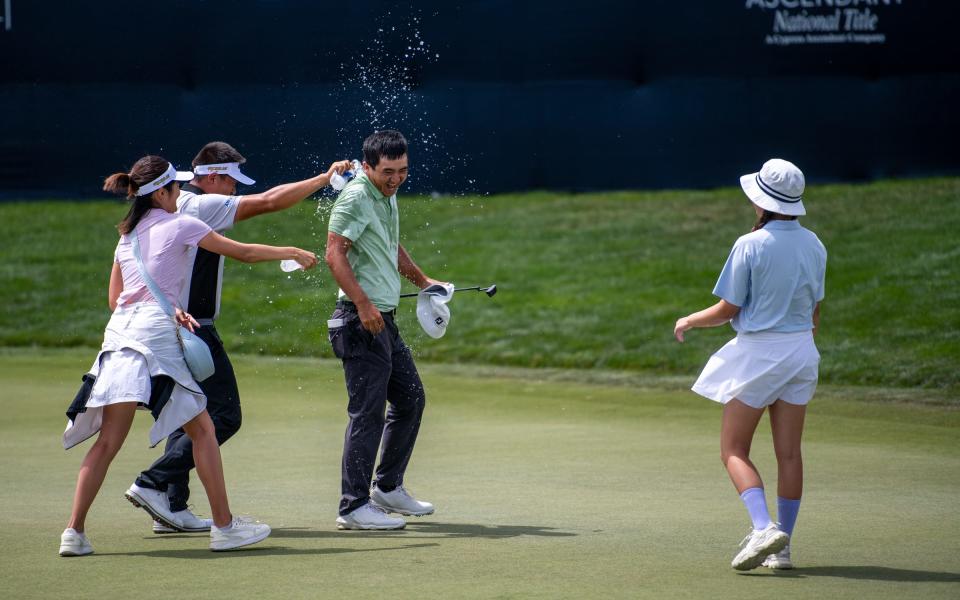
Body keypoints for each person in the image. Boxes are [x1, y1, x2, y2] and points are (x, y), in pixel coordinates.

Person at [60, 155, 318, 556]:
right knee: (204, 431)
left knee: (108, 441)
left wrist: (166, 305)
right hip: (156, 339)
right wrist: (292, 251)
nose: (180, 194)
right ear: (160, 192)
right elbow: (244, 253)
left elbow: (117, 300)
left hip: (120, 336)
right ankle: (225, 527)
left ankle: (73, 534)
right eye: (175, 189)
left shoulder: (125, 238)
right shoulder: (184, 223)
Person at [129, 142, 350, 534]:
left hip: (164, 323)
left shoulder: (176, 201)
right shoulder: (199, 204)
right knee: (225, 415)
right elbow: (266, 202)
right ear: (213, 177)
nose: (234, 191)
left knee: (187, 412)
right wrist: (323, 179)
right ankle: (154, 481)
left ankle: (170, 505)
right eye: (231, 182)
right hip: (192, 326)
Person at [674, 158, 826, 571]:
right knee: (789, 453)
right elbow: (815, 313)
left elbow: (728, 308)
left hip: (761, 354)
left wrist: (688, 319)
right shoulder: (815, 244)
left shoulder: (750, 244)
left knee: (733, 449)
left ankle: (763, 528)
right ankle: (784, 549)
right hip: (802, 353)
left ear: (762, 202)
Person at [325, 130, 444, 530]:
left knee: (411, 399)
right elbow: (333, 253)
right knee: (367, 414)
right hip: (359, 321)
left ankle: (387, 487)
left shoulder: (386, 196)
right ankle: (352, 507)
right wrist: (362, 303)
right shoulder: (357, 196)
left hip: (383, 320)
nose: (396, 179)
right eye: (388, 171)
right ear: (369, 166)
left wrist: (423, 281)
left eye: (403, 171)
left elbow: (390, 246)